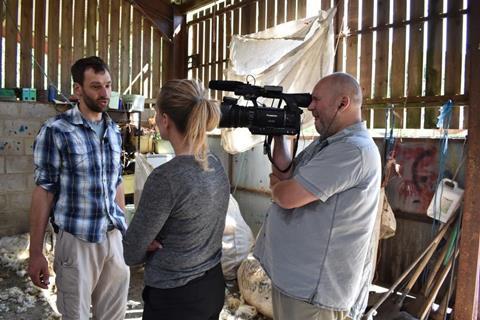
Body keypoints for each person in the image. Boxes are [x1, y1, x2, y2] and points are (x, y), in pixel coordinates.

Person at [253, 72, 382, 320]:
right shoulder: (329, 143)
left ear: (342, 103)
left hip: (314, 292)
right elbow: (286, 173)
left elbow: (287, 196)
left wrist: (277, 186)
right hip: (296, 283)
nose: (310, 106)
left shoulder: (353, 150)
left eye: (316, 100)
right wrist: (279, 132)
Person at [27, 56, 130, 320]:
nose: (104, 93)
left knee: (114, 316)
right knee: (76, 316)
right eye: (96, 86)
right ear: (78, 89)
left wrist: (124, 230)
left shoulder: (113, 130)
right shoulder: (56, 130)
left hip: (113, 238)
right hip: (77, 240)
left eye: (107, 85)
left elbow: (116, 182)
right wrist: (36, 253)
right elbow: (44, 192)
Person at [123, 79, 230, 320]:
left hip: (175, 296)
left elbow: (131, 252)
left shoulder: (166, 178)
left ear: (164, 119)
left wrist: (144, 242)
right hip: (211, 285)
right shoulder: (214, 164)